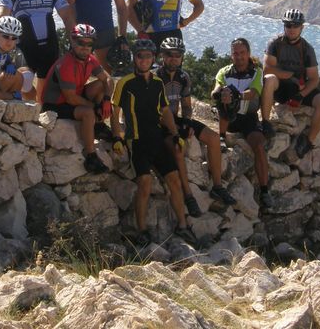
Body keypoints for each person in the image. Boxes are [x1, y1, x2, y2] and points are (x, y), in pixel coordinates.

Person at [111, 39, 196, 246]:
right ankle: (141, 231)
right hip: (136, 140)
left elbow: (165, 110)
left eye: (148, 56)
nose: (144, 60)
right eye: (140, 56)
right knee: (145, 183)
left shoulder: (158, 83)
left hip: (156, 138)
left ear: (153, 58)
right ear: (134, 58)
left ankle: (183, 226)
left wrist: (175, 134)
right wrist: (117, 137)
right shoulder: (124, 82)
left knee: (174, 180)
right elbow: (115, 112)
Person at [155, 37, 236, 216]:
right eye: (169, 54)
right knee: (178, 150)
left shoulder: (183, 77)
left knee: (214, 138)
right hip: (158, 123)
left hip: (176, 119)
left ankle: (217, 186)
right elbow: (156, 111)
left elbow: (186, 105)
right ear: (162, 55)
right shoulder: (155, 77)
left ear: (182, 57)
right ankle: (189, 196)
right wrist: (177, 130)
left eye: (177, 55)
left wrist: (186, 122)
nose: (173, 58)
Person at [0, 0, 75, 100]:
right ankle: (30, 108)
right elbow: (1, 15)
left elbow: (67, 16)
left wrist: (75, 42)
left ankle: (39, 110)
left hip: (49, 46)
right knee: (25, 81)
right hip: (25, 46)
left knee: (47, 93)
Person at [40, 24, 115, 174]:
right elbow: (71, 99)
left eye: (89, 44)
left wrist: (106, 100)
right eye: (81, 42)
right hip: (55, 105)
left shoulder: (90, 59)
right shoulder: (66, 64)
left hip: (74, 96)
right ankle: (91, 156)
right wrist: (95, 107)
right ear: (73, 41)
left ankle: (98, 126)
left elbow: (107, 80)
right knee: (88, 113)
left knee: (100, 85)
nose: (85, 47)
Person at [211, 37, 273, 209]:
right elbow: (216, 88)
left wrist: (236, 95)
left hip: (248, 117)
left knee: (258, 145)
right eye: (235, 53)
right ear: (231, 55)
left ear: (248, 53)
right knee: (225, 98)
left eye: (242, 53)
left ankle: (264, 190)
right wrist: (219, 94)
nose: (239, 57)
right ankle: (221, 136)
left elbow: (253, 92)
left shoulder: (256, 72)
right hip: (228, 115)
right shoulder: (224, 71)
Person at [262, 9, 320, 158]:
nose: (292, 29)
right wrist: (292, 75)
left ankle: (308, 141)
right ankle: (265, 123)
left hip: (299, 89)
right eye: (288, 25)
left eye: (296, 25)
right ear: (284, 26)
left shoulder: (307, 49)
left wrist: (301, 95)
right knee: (269, 79)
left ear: (302, 27)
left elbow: (314, 78)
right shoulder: (275, 44)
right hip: (280, 87)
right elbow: (267, 69)